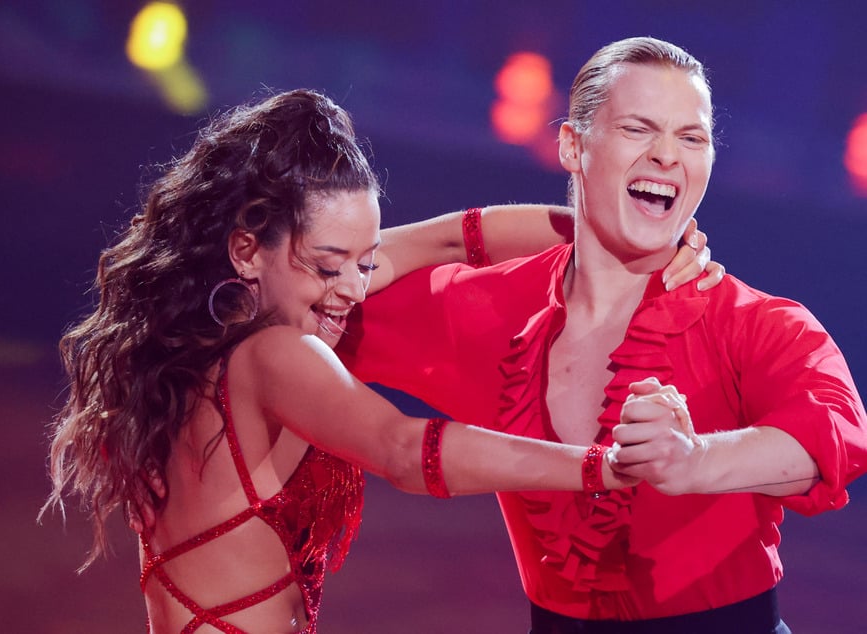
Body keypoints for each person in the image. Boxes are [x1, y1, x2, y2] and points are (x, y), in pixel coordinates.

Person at [40, 88, 719, 634]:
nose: (354, 289)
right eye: (329, 266)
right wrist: (602, 466)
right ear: (247, 251)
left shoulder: (207, 333)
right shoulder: (277, 354)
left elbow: (453, 239)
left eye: (365, 263)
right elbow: (401, 449)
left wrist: (620, 236)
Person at [338, 37, 867, 633]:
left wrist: (694, 462)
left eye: (691, 137)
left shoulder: (754, 321)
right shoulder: (487, 308)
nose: (668, 155)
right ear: (572, 144)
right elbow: (322, 292)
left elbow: (836, 435)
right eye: (639, 129)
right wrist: (455, 237)